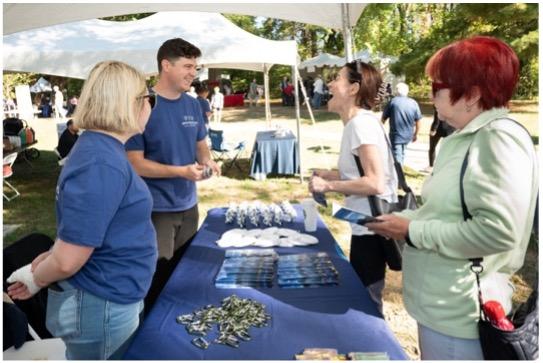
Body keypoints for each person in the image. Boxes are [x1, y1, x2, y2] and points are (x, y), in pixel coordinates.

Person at [366, 36, 538, 360]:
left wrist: (412, 231)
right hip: (438, 306)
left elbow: (497, 231)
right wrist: (405, 220)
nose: (431, 96)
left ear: (471, 94)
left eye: (437, 87)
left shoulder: (497, 137)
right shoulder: (462, 137)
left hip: (459, 314)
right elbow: (445, 211)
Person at [7, 60, 158, 359]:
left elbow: (84, 227)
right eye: (147, 98)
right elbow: (67, 261)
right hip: (103, 304)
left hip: (109, 298)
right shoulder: (100, 162)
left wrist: (48, 259)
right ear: (132, 103)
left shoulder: (100, 150)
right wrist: (40, 276)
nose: (151, 106)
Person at [126, 38, 220, 312]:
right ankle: (151, 337)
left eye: (196, 67)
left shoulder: (193, 105)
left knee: (186, 272)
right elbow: (135, 164)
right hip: (156, 211)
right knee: (157, 278)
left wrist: (208, 163)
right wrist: (180, 171)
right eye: (188, 66)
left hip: (189, 206)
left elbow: (201, 147)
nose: (194, 73)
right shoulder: (143, 105)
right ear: (166, 65)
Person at [308, 60, 398, 314]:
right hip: (364, 225)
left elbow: (375, 182)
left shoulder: (361, 124)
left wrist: (328, 185)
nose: (329, 84)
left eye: (337, 78)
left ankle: (373, 350)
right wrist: (329, 174)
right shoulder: (357, 124)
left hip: (372, 228)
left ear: (353, 89)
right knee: (364, 296)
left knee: (366, 303)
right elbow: (358, 172)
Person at [381, 82, 422, 164]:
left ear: (396, 91)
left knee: (397, 155)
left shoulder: (393, 102)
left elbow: (383, 119)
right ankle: (400, 171)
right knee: (401, 153)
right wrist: (416, 134)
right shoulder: (413, 103)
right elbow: (418, 120)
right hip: (408, 134)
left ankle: (398, 174)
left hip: (396, 135)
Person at [425, 107, 455, 172]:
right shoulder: (454, 104)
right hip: (450, 128)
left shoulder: (440, 104)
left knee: (432, 147)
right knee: (448, 149)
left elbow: (437, 119)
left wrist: (433, 129)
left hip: (439, 128)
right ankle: (445, 166)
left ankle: (431, 166)